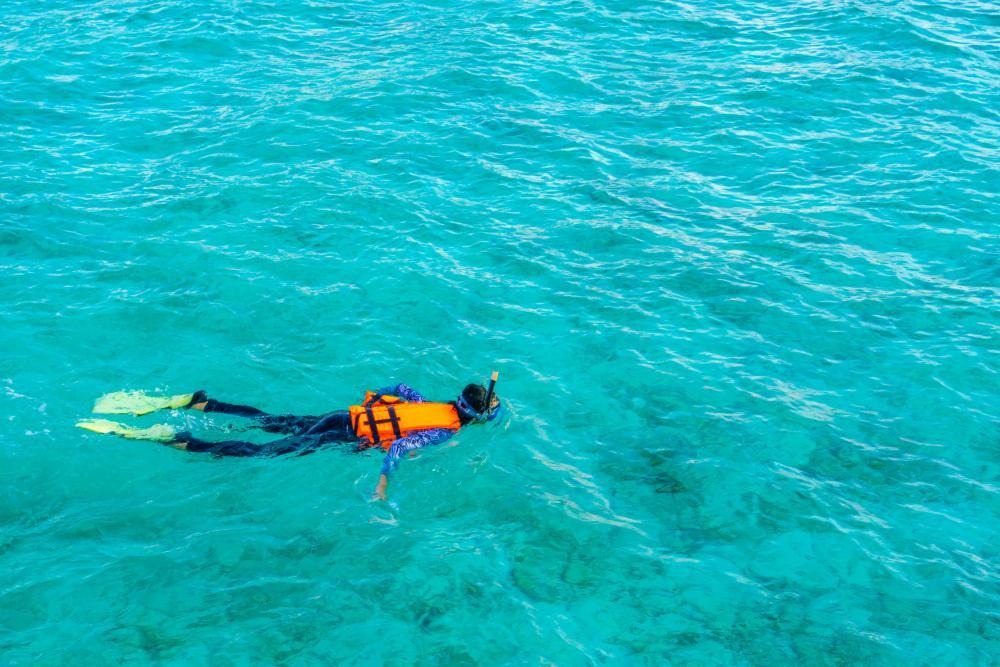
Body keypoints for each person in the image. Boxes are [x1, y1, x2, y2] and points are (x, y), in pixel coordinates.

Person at [76, 376, 502, 499]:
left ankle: (203, 402)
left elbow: (401, 387)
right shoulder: (442, 430)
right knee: (262, 452)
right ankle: (180, 439)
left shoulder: (434, 406)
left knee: (271, 421)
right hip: (341, 435)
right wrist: (383, 483)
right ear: (476, 415)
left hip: (342, 416)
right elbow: (402, 445)